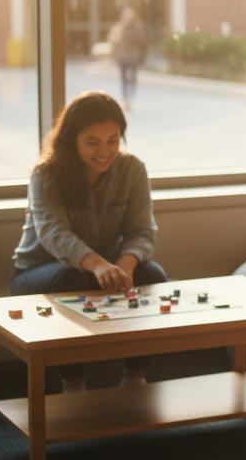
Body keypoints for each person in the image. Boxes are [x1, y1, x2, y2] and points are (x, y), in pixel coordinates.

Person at [11, 91, 169, 390]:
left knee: (154, 275)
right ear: (72, 139)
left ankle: (136, 376)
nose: (104, 151)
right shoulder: (46, 174)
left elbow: (142, 231)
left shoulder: (132, 169)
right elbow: (53, 233)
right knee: (70, 277)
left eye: (113, 140)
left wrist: (125, 265)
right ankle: (73, 382)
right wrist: (97, 265)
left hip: (104, 269)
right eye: (92, 142)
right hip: (38, 274)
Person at [107, 7, 148, 113]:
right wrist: (113, 55)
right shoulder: (118, 27)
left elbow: (143, 42)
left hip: (133, 57)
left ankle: (130, 98)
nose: (128, 17)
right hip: (122, 57)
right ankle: (126, 100)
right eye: (126, 15)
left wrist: (142, 57)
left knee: (132, 79)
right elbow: (113, 41)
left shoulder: (138, 28)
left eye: (130, 15)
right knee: (124, 80)